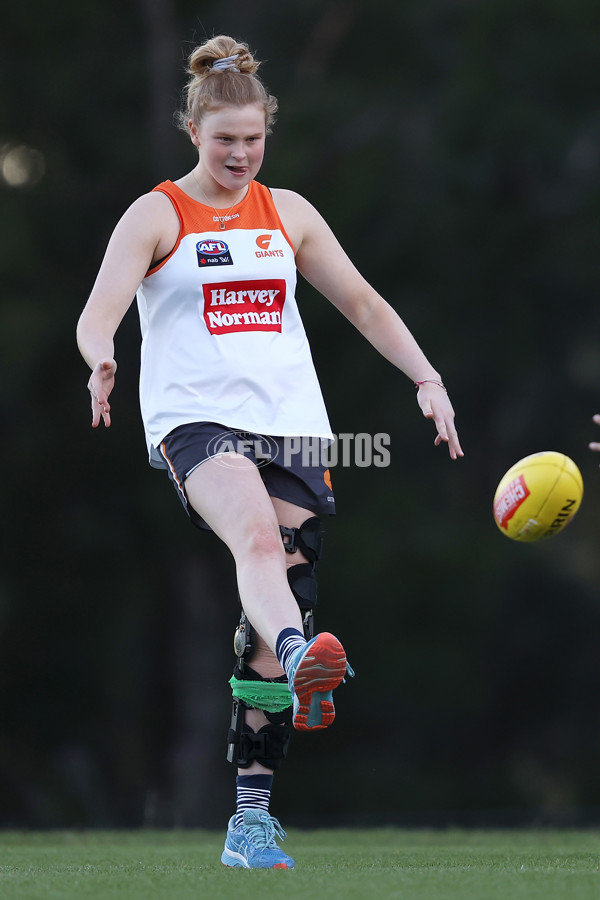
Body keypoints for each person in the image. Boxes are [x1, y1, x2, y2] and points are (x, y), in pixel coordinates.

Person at [77, 34, 463, 869]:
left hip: (293, 426)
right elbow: (98, 309)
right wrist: (101, 355)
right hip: (194, 424)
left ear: (267, 135)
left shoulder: (289, 213)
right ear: (193, 132)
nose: (241, 154)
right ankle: (300, 660)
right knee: (255, 540)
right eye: (225, 141)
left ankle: (250, 820)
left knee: (278, 601)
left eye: (253, 140)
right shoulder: (157, 214)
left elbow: (361, 303)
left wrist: (426, 378)